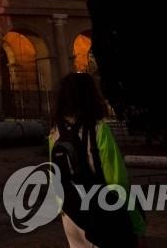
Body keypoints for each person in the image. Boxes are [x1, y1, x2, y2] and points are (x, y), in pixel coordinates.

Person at [50, 72, 145, 247]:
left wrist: (65, 210)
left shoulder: (55, 133)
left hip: (72, 216)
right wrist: (138, 226)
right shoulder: (99, 130)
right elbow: (118, 183)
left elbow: (56, 179)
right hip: (101, 214)